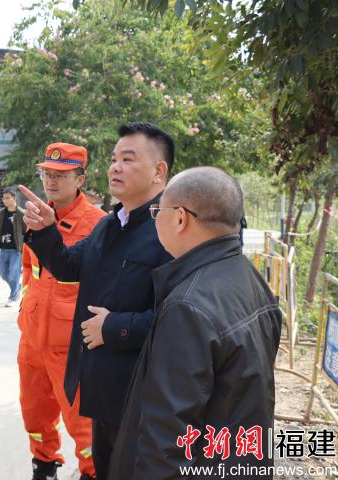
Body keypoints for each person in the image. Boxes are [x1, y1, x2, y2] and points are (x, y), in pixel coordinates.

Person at [19, 122, 175, 478]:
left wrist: (115, 327)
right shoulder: (111, 225)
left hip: (141, 394)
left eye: (128, 159)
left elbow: (177, 318)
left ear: (159, 171)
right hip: (102, 387)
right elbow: (69, 266)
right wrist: (45, 233)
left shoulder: (171, 230)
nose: (115, 167)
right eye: (114, 159)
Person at [108, 167, 282, 479]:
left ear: (179, 218)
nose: (154, 218)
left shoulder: (188, 307)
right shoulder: (250, 277)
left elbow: (165, 439)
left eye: (157, 211)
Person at [18, 143, 106, 480]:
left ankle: (92, 471)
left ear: (80, 178)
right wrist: (28, 304)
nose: (51, 181)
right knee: (35, 412)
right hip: (33, 338)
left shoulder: (98, 224)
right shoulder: (36, 215)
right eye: (47, 173)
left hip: (71, 343)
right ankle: (43, 465)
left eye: (61, 175)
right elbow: (30, 267)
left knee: (82, 422)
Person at [0, 187, 26, 306]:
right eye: (3, 198)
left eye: (7, 198)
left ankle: (13, 296)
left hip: (16, 250)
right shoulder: (2, 213)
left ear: (14, 198)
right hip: (4, 249)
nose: (5, 200)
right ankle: (17, 287)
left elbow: (27, 231)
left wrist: (24, 245)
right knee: (4, 274)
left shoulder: (21, 213)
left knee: (13, 274)